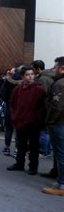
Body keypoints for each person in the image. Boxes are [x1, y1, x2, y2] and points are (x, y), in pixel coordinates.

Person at [6, 65, 45, 175]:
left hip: (34, 123)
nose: (30, 77)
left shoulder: (39, 89)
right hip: (20, 121)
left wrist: (38, 119)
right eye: (27, 75)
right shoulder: (18, 89)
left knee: (34, 146)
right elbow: (12, 104)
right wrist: (14, 116)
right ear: (23, 76)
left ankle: (33, 167)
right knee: (20, 144)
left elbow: (42, 107)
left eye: (32, 74)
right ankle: (19, 163)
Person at [42, 57, 64, 196]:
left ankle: (61, 184)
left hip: (59, 123)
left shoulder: (60, 84)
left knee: (61, 154)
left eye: (56, 67)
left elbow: (56, 107)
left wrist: (50, 121)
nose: (54, 69)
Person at [0, 66, 22, 156]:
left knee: (9, 129)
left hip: (10, 108)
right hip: (20, 109)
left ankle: (7, 148)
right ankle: (17, 149)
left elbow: (1, 94)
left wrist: (8, 101)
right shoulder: (23, 82)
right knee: (19, 131)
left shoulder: (8, 81)